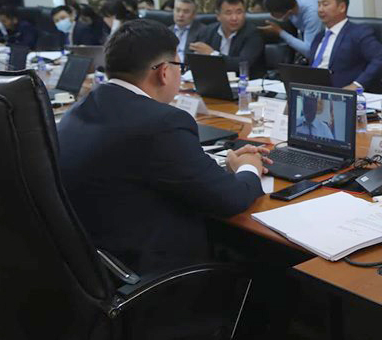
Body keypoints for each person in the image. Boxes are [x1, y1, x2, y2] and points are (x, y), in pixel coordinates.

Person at [56, 19, 270, 274]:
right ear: (164, 72)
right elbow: (230, 199)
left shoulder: (79, 108)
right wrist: (249, 166)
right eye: (180, 66)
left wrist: (224, 165)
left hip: (93, 264)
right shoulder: (162, 123)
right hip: (153, 270)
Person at [308, 0, 382, 90]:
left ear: (342, 7)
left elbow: (381, 59)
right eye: (319, 5)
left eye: (325, 4)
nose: (320, 10)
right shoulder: (319, 37)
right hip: (315, 91)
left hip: (343, 92)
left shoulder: (359, 33)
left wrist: (357, 85)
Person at [190, 0, 266, 78]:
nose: (234, 18)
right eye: (228, 13)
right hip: (214, 81)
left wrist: (212, 54)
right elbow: (193, 56)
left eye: (239, 12)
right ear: (218, 16)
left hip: (247, 83)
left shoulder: (253, 33)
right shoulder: (208, 31)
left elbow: (242, 64)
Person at [259, 0, 323, 59]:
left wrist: (280, 32)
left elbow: (310, 51)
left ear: (289, 12)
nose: (271, 16)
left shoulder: (312, 15)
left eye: (273, 13)